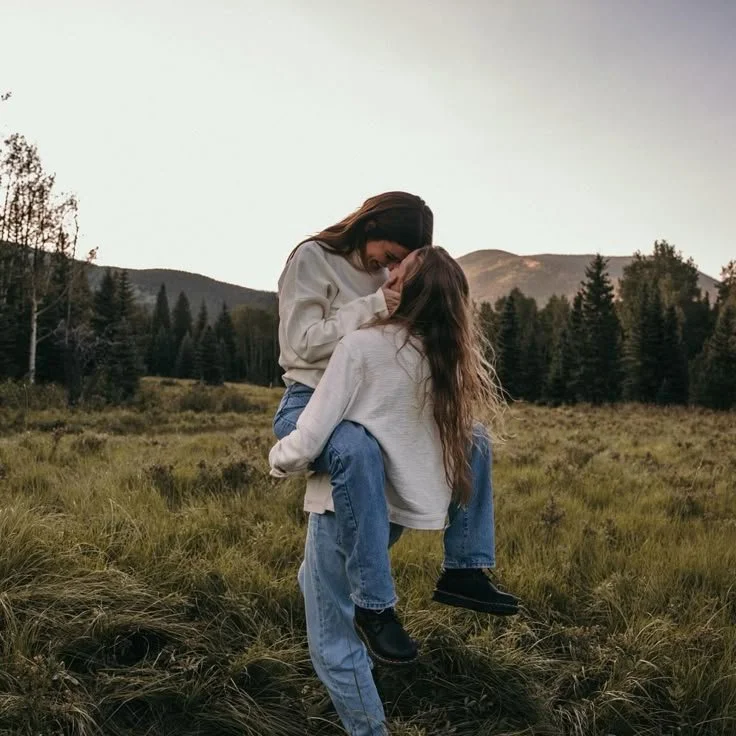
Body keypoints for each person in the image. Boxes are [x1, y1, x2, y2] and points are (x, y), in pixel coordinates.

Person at [270, 246, 513, 736]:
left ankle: (368, 728)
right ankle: (463, 571)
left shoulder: (363, 347)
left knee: (334, 640)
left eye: (396, 275)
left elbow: (313, 436)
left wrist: (277, 459)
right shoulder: (445, 355)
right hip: (400, 512)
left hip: (348, 511)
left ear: (409, 291)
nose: (385, 279)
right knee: (316, 583)